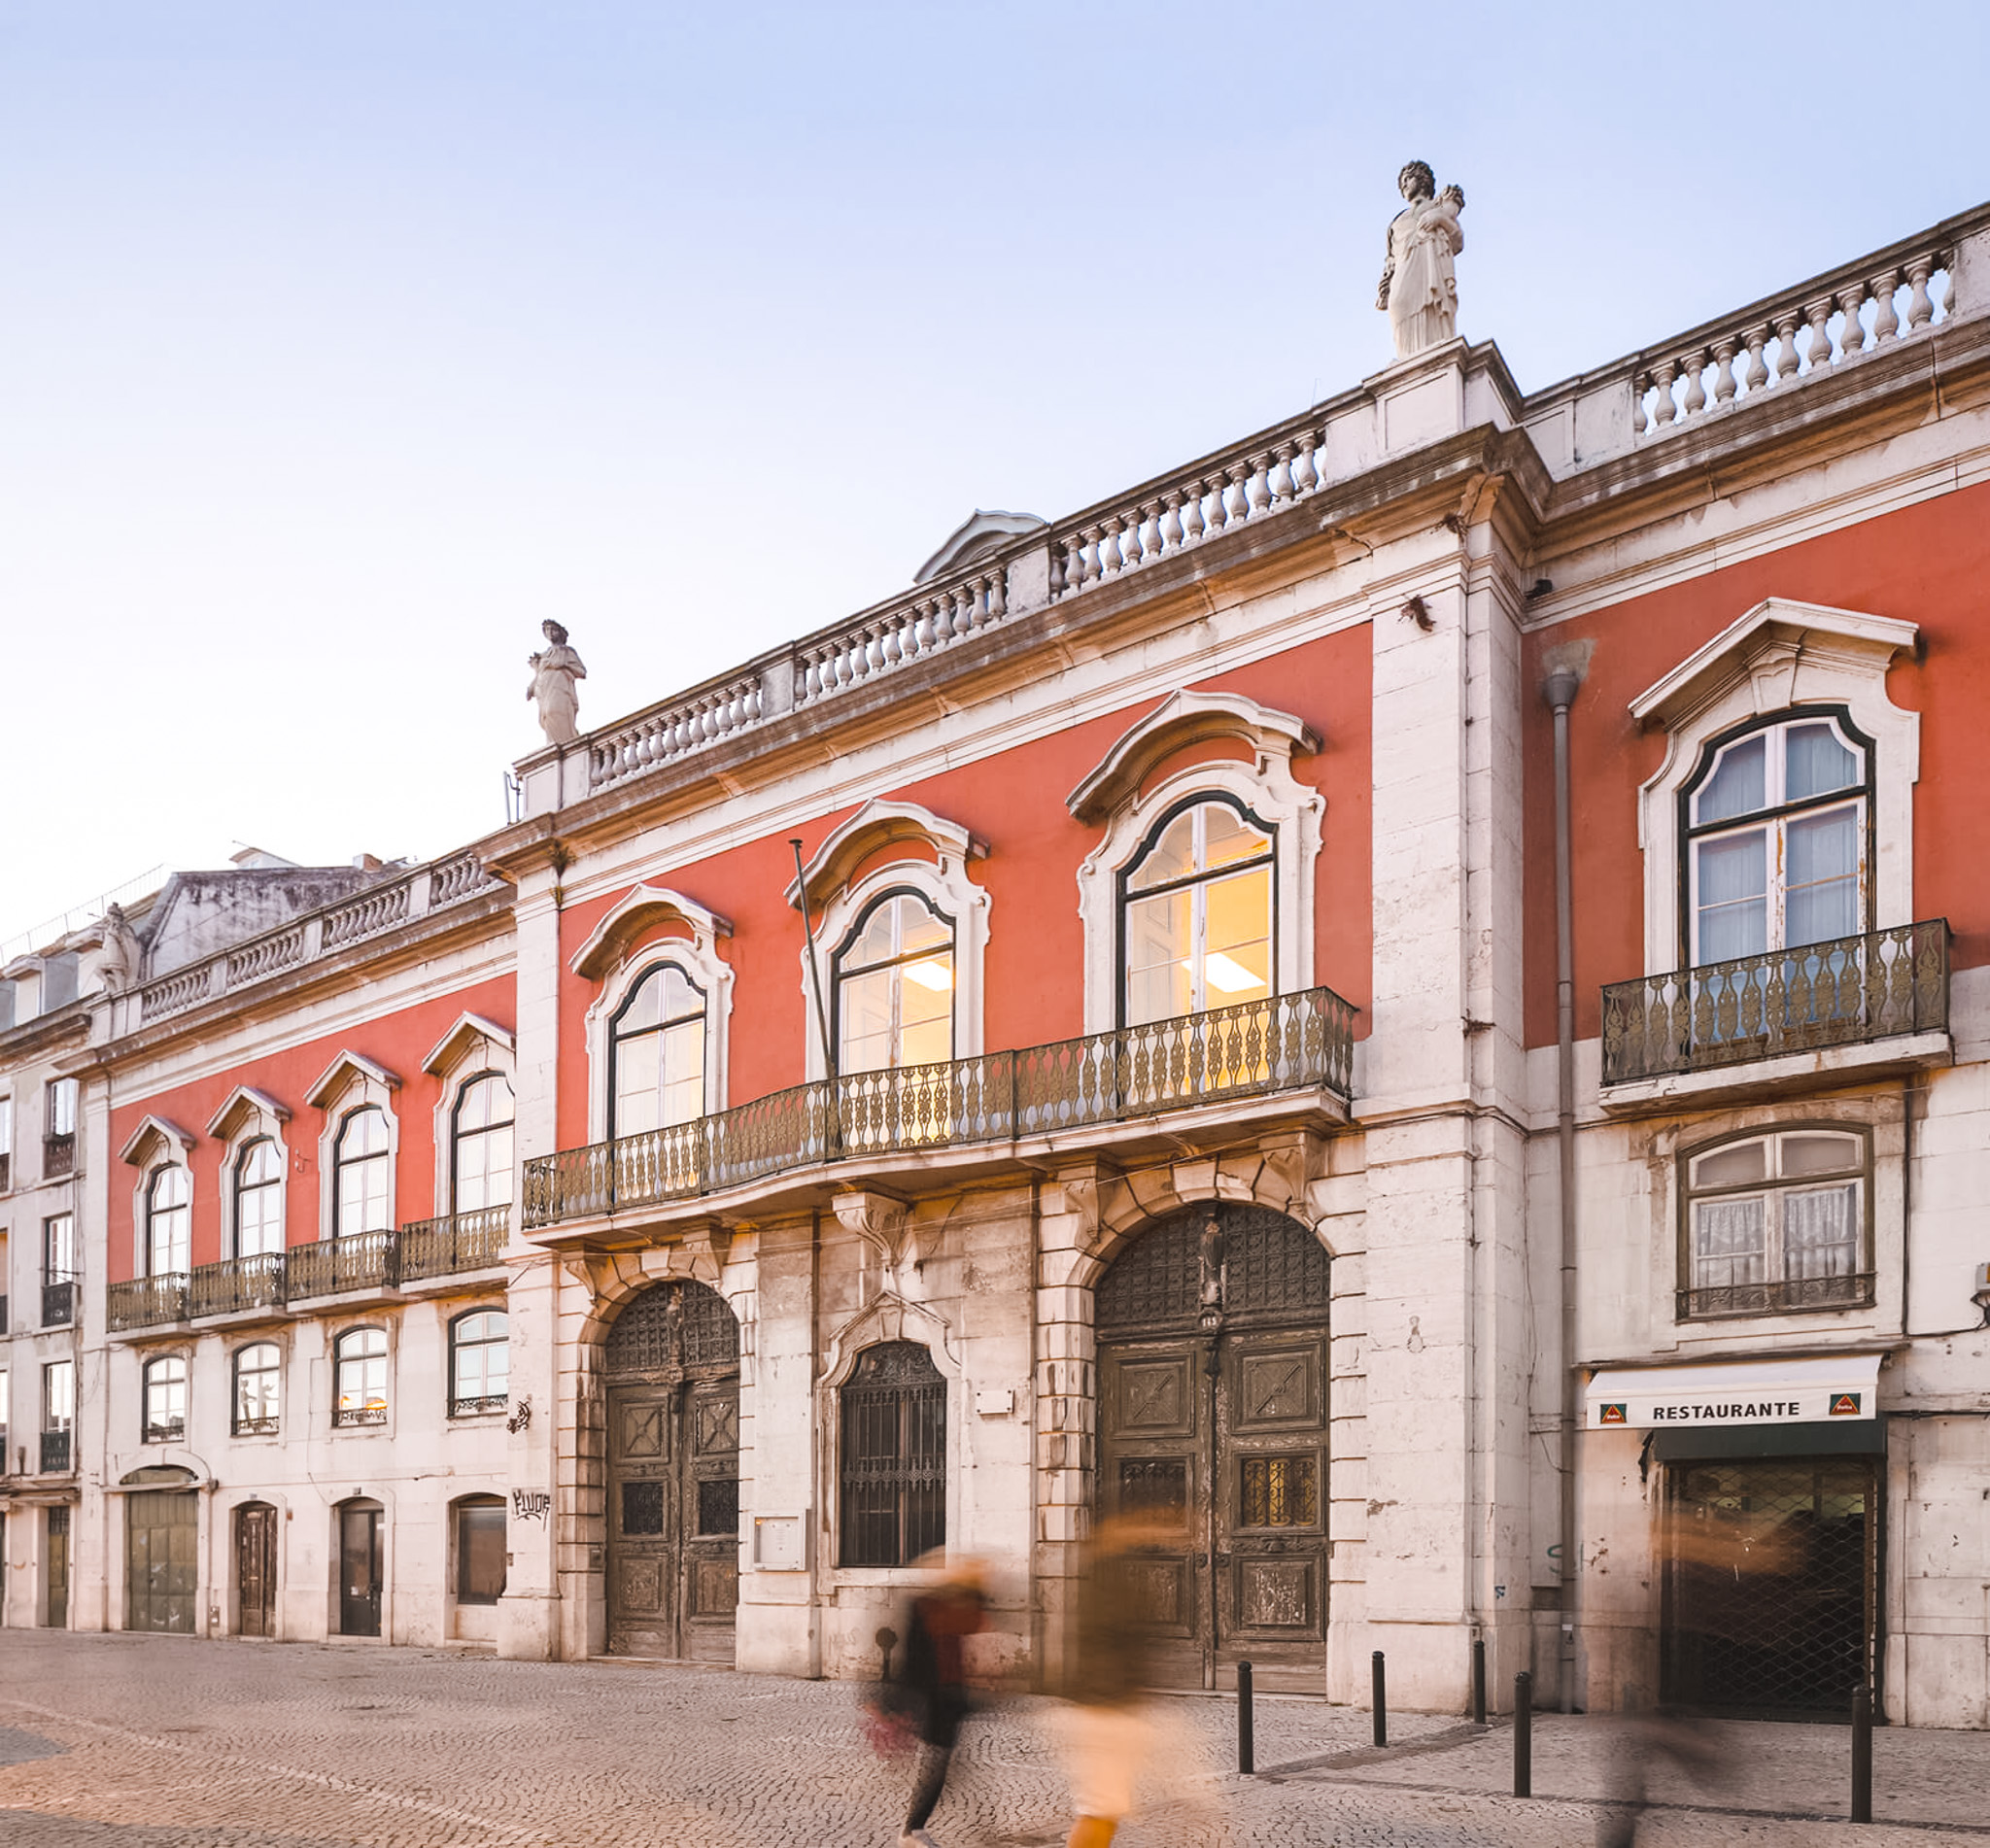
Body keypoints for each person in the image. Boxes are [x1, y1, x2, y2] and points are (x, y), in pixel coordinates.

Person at [1054, 1520, 1160, 1848]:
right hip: (1105, 1709)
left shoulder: (1100, 1578)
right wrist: (1121, 1698)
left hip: (1106, 1706)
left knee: (1103, 1809)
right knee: (1099, 1810)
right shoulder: (1106, 1584)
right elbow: (1106, 1646)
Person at [892, 1555, 988, 1848]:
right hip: (934, 1699)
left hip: (950, 1698)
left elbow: (975, 1624)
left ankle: (916, 1828)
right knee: (937, 1766)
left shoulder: (957, 1606)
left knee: (942, 1765)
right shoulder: (925, 1606)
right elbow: (911, 1660)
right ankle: (912, 1830)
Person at [1376, 160, 1466, 359]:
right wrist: (1384, 285)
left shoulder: (1439, 205)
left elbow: (1457, 239)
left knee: (1434, 307)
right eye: (1401, 183)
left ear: (1422, 179)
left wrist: (1439, 219)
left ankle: (1438, 357)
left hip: (1431, 264)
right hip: (1403, 269)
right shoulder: (1396, 222)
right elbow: (1390, 260)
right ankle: (1406, 361)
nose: (1404, 185)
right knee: (1398, 304)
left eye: (1408, 179)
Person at [526, 620, 587, 744]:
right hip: (544, 689)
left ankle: (567, 742)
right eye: (547, 630)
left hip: (560, 686)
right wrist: (531, 687)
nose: (550, 633)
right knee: (546, 716)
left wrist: (563, 665)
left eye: (553, 629)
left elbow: (581, 672)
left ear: (560, 632)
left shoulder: (566, 651)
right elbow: (540, 673)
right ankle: (554, 744)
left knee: (554, 710)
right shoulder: (544, 655)